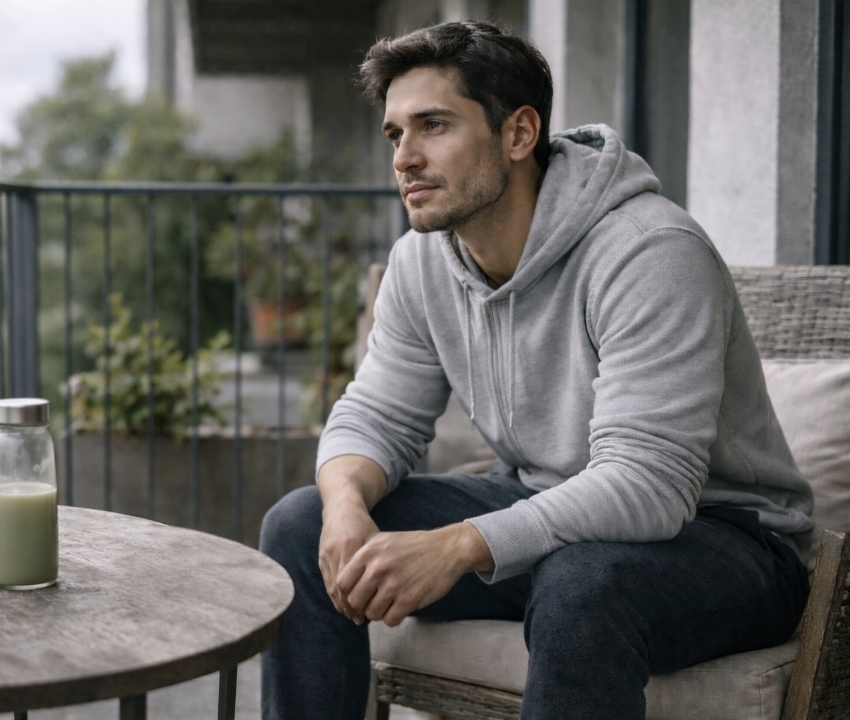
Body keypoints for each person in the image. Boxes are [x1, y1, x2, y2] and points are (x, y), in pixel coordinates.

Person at [259, 19, 813, 720]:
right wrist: (342, 507)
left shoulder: (649, 251)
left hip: (720, 541)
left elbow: (649, 485)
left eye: (433, 125)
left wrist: (462, 545)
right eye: (395, 134)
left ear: (518, 134)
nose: (404, 157)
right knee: (301, 526)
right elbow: (376, 414)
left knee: (583, 583)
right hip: (540, 513)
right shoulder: (421, 260)